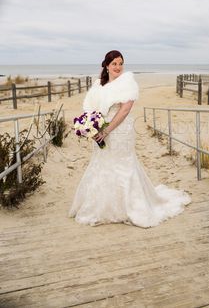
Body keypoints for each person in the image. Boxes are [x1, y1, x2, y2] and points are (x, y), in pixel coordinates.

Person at [68, 50, 191, 228]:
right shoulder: (98, 85)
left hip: (119, 131)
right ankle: (102, 206)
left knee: (123, 165)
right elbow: (90, 108)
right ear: (107, 66)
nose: (118, 67)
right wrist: (90, 127)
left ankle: (129, 207)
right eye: (114, 64)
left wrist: (107, 130)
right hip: (100, 131)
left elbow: (124, 111)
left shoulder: (128, 83)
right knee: (101, 163)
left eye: (120, 63)